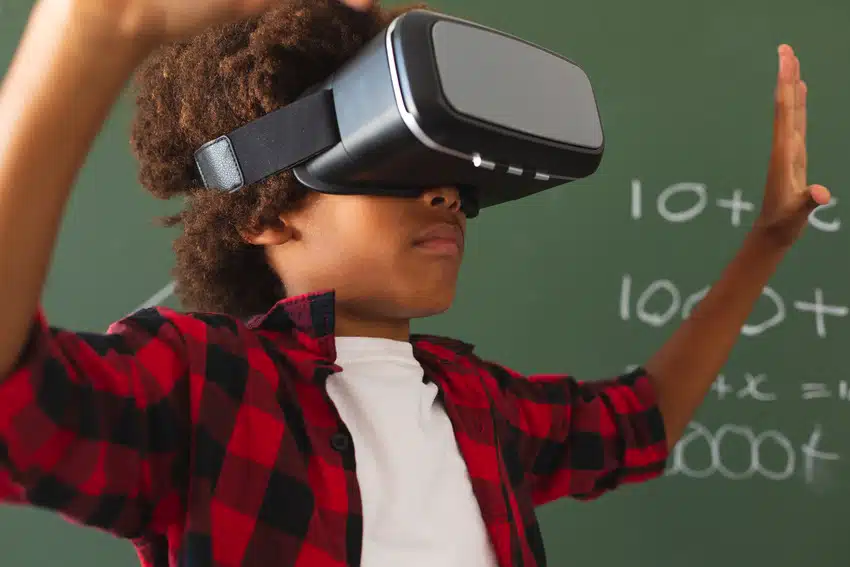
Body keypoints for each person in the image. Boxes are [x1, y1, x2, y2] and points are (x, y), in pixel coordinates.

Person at [0, 0, 830, 566]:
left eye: (452, 173)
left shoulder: (481, 407)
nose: (444, 195)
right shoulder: (207, 389)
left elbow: (640, 422)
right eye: (396, 160)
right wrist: (93, 30)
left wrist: (766, 242)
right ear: (266, 209)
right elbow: (17, 408)